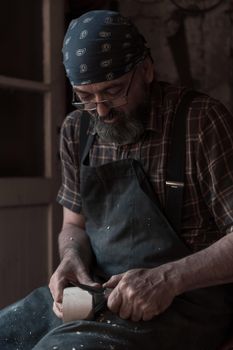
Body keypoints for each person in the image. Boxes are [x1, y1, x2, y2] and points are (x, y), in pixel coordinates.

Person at [1, 9, 233, 350]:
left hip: (185, 301)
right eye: (86, 96)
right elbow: (74, 225)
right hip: (97, 294)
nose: (102, 110)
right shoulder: (76, 129)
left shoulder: (200, 122)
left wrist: (169, 279)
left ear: (147, 70)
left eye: (113, 91)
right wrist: (70, 258)